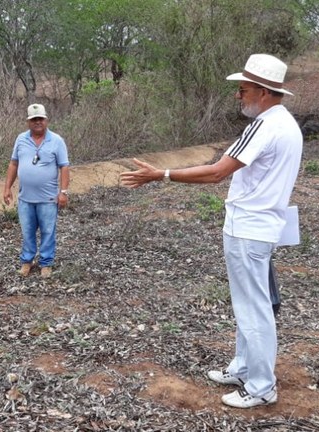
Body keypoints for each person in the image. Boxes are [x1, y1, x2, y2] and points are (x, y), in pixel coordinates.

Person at [120, 53, 302, 408]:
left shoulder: (267, 126)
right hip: (257, 227)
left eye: (245, 89)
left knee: (254, 308)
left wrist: (162, 174)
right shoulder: (283, 124)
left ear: (264, 92)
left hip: (250, 228)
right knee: (249, 303)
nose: (239, 95)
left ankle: (262, 385)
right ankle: (244, 367)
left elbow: (218, 171)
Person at [3, 104, 70, 278]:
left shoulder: (56, 140)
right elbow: (14, 164)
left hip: (48, 198)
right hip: (25, 197)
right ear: (28, 122)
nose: (37, 122)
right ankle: (27, 261)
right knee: (27, 231)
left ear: (46, 120)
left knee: (48, 231)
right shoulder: (21, 139)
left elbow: (64, 167)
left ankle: (46, 263)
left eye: (40, 119)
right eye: (33, 119)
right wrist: (7, 188)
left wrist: (63, 192)